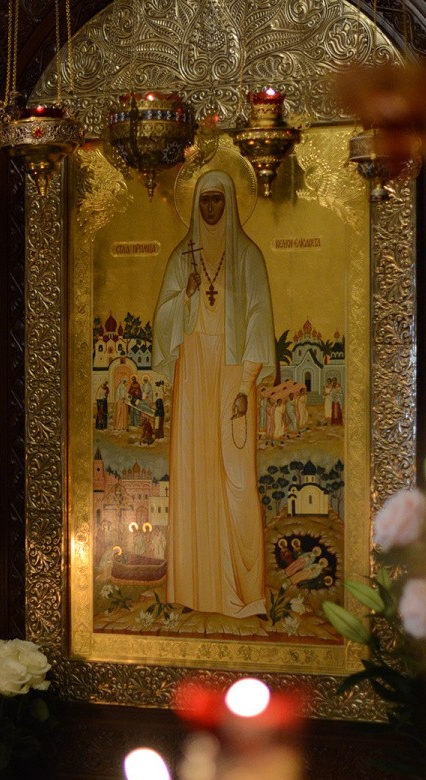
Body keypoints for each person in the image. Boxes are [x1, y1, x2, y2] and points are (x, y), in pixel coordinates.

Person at [152, 170, 276, 618]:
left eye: (217, 199)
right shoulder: (181, 257)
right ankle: (192, 592)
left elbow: (259, 318)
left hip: (232, 372)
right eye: (203, 200)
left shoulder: (248, 257)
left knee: (236, 480)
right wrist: (184, 298)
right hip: (192, 371)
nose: (210, 207)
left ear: (230, 203)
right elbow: (163, 321)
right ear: (194, 204)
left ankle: (247, 593)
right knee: (193, 475)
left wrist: (246, 385)